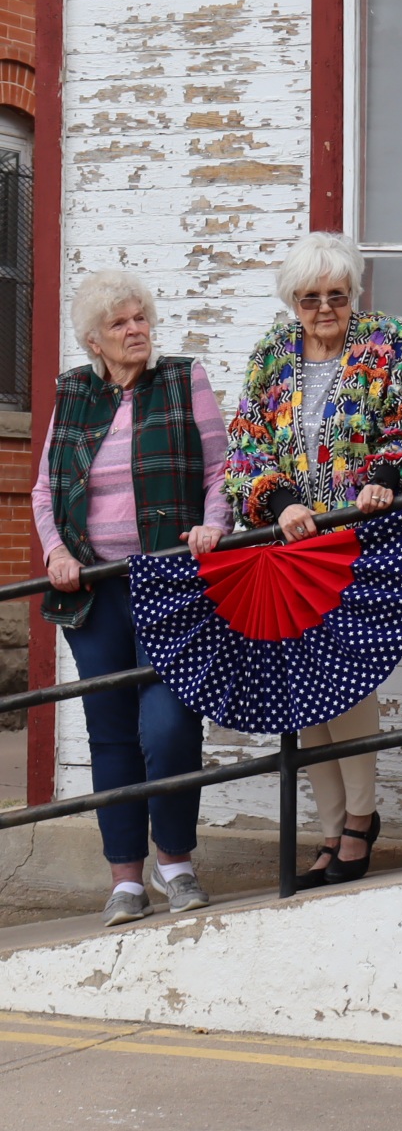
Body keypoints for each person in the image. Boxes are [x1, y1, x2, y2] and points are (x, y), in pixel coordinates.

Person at [227, 232, 402, 889]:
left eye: (337, 296)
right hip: (291, 548)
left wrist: (384, 476)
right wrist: (281, 500)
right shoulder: (271, 354)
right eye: (312, 298)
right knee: (306, 695)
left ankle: (360, 819)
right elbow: (245, 453)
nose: (326, 309)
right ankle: (328, 829)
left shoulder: (388, 341)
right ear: (294, 300)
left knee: (350, 681)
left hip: (359, 543)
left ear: (355, 296)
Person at [31, 271, 232, 926]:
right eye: (120, 323)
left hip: (169, 581)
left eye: (141, 317)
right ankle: (125, 880)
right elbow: (44, 492)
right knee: (111, 735)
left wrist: (214, 526)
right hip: (93, 593)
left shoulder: (182, 380)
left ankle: (176, 863)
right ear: (95, 338)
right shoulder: (75, 394)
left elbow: (220, 467)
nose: (136, 329)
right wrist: (57, 554)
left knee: (169, 726)